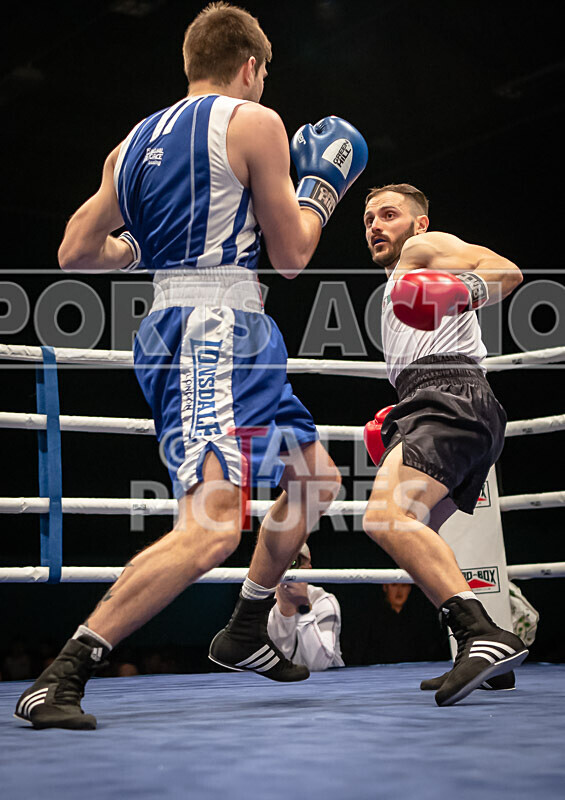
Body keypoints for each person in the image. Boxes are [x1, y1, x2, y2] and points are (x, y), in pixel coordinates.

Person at [15, 2, 367, 730]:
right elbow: (294, 256)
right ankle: (67, 668)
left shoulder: (130, 143)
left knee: (315, 479)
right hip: (215, 329)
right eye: (264, 73)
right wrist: (320, 190)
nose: (264, 86)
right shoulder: (252, 121)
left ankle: (243, 631)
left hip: (205, 324)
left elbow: (76, 250)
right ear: (250, 66)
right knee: (210, 528)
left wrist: (145, 249)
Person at [361, 183, 528, 706]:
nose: (375, 225)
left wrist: (464, 290)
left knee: (386, 518)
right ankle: (477, 656)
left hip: (449, 397)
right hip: (437, 399)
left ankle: (485, 636)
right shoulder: (397, 281)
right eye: (367, 218)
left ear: (419, 224)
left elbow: (506, 270)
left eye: (388, 214)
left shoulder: (419, 252)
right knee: (422, 531)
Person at [267, 542, 344, 671]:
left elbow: (319, 665)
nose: (289, 569)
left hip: (326, 685)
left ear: (308, 569)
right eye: (283, 561)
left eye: (295, 562)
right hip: (278, 687)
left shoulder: (324, 601)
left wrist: (303, 605)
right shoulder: (262, 603)